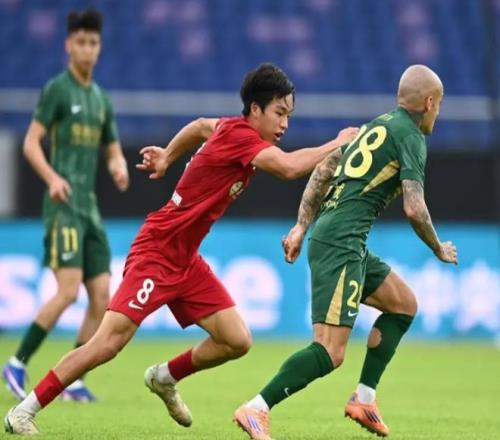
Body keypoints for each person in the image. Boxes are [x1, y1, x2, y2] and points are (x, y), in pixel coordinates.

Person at [4, 62, 357, 435]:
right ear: (255, 109)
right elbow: (287, 168)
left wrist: (168, 155)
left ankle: (165, 377)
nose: (285, 124)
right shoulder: (241, 137)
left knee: (236, 340)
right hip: (158, 252)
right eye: (279, 113)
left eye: (289, 115)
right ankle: (24, 410)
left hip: (186, 260)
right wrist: (336, 143)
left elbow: (201, 125)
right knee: (107, 343)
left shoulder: (229, 129)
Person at [234, 64, 458, 439]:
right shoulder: (412, 137)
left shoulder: (377, 126)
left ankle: (364, 399)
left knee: (403, 305)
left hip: (341, 238)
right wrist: (437, 247)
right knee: (330, 351)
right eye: (440, 105)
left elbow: (324, 168)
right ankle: (257, 407)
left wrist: (302, 225)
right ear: (430, 102)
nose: (438, 112)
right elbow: (414, 208)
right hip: (341, 243)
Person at [2, 8, 129, 403]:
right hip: (63, 207)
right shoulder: (58, 90)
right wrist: (52, 178)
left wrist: (119, 166)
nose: (88, 49)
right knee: (69, 291)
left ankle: (73, 379)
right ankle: (17, 363)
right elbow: (30, 143)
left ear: (99, 47)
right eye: (81, 42)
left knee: (102, 297)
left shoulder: (101, 100)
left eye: (94, 43)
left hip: (89, 209)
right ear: (69, 45)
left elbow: (112, 149)